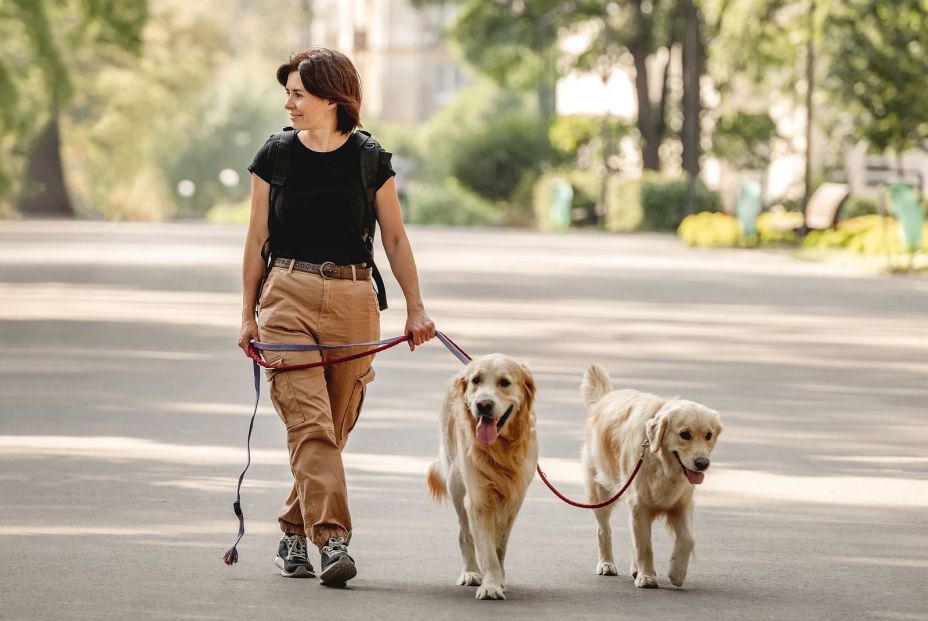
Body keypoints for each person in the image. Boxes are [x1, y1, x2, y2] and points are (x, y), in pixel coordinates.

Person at [237, 47, 435, 586]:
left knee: (332, 427)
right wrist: (247, 313)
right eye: (289, 94)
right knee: (311, 424)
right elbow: (258, 237)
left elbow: (393, 236)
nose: (290, 103)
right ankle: (333, 539)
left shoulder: (370, 159)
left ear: (331, 98)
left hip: (353, 300)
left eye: (299, 93)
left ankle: (292, 533)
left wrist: (416, 306)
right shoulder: (275, 154)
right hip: (286, 296)